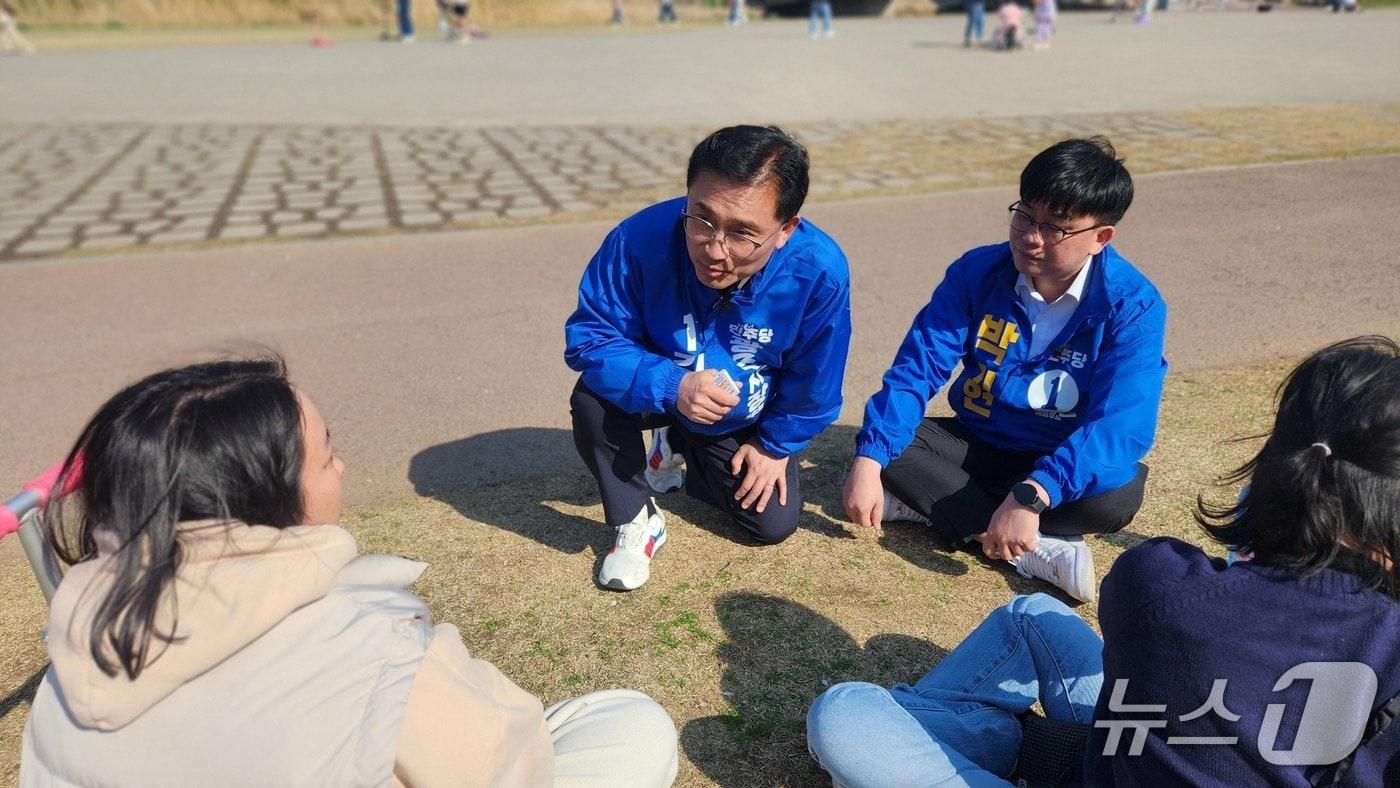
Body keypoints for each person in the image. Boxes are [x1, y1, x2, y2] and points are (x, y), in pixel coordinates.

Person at [20, 357, 679, 786]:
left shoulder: (71, 669)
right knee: (632, 721)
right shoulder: (372, 651)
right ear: (269, 499)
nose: (342, 471)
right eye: (326, 455)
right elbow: (511, 767)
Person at [809, 335, 1400, 786]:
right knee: (1033, 615)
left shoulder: (1162, 581)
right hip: (1135, 745)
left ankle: (972, 741)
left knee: (845, 713)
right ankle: (1000, 740)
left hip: (1134, 746)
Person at [843, 137, 1165, 602]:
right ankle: (1029, 548)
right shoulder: (978, 271)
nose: (1031, 238)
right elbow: (919, 366)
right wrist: (870, 460)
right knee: (888, 446)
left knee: (1118, 495)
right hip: (978, 440)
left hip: (1056, 455)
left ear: (1101, 237)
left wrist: (1033, 494)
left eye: (1056, 228)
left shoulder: (1133, 305)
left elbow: (1122, 423)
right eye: (1025, 215)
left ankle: (940, 509)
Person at [565, 125, 852, 591]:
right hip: (660, 385)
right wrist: (670, 385)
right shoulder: (637, 239)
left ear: (786, 229)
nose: (714, 250)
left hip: (741, 411)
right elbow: (591, 337)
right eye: (701, 219)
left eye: (743, 234)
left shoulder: (819, 270)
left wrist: (774, 446)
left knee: (771, 525)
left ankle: (675, 446)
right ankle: (636, 518)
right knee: (593, 398)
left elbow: (815, 378)